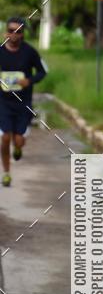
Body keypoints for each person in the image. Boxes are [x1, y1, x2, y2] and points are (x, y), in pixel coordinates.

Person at [0, 17, 48, 187]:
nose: (14, 34)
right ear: (6, 33)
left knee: (19, 139)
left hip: (23, 102)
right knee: (5, 137)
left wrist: (29, 80)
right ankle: (6, 173)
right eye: (11, 30)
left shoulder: (30, 52)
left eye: (18, 31)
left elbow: (43, 71)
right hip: (3, 102)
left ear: (22, 34)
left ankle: (18, 147)